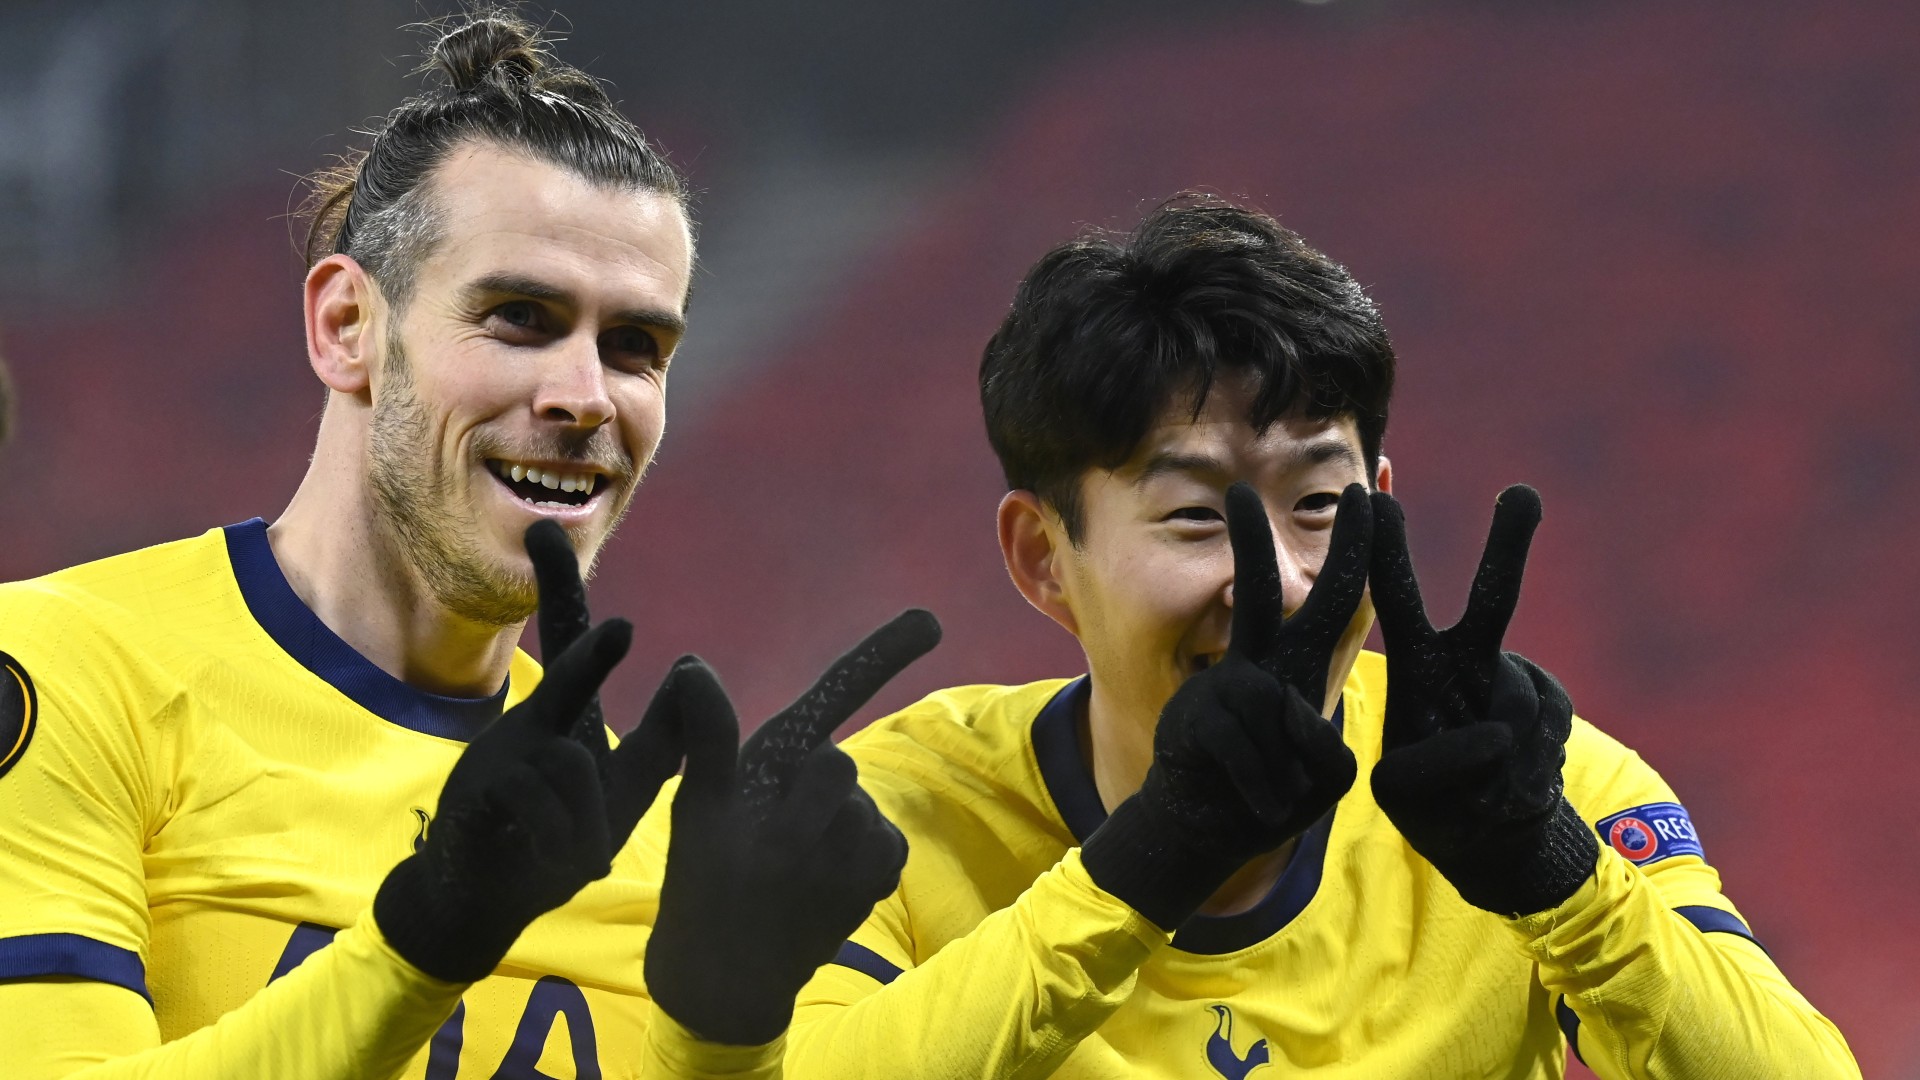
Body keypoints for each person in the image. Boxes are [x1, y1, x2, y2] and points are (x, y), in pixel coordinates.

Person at [0, 12, 924, 1079]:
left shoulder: (634, 835)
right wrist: (423, 941)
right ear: (348, 327)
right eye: (521, 317)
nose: (586, 396)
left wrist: (727, 1037)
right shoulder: (66, 674)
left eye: (635, 346)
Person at [768, 196, 1861, 1076]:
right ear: (1044, 555)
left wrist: (1555, 878)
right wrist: (1153, 860)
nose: (1283, 585)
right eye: (1197, 517)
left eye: (1321, 507)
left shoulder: (1530, 785)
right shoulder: (890, 820)